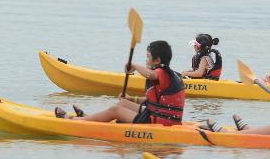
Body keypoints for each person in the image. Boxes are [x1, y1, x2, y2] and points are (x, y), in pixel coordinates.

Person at [54, 40, 185, 126]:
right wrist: (130, 98)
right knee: (122, 103)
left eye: (148, 57)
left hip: (160, 122)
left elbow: (150, 74)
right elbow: (154, 101)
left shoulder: (161, 72)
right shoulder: (169, 74)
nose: (146, 61)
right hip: (157, 116)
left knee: (115, 110)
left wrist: (134, 65)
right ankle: (90, 118)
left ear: (157, 60)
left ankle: (75, 121)